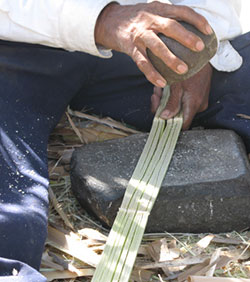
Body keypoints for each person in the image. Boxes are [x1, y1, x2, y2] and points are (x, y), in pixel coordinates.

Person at [0, 0, 249, 281]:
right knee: (8, 208)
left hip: (134, 41)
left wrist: (195, 41)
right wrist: (102, 19)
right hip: (17, 40)